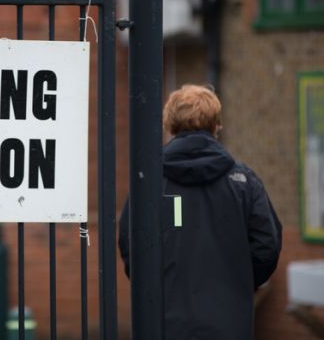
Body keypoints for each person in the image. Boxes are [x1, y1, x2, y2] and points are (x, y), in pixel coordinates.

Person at [118, 84, 282, 340]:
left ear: (169, 126)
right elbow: (267, 245)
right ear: (216, 126)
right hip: (229, 324)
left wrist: (157, 284)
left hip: (165, 323)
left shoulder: (149, 182)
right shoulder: (244, 182)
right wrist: (239, 281)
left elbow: (131, 243)